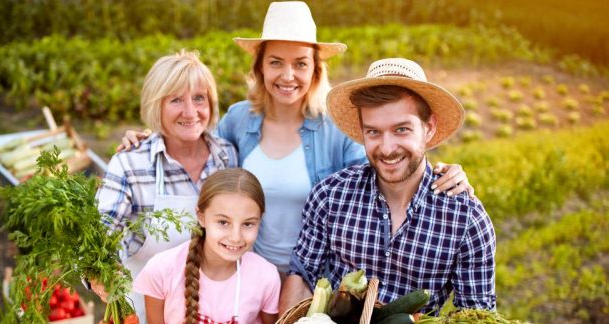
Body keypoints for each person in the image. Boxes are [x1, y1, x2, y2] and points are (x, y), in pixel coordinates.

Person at [120, 1, 474, 277]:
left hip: (314, 278)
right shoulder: (240, 120)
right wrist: (152, 136)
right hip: (245, 272)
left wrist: (442, 172)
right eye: (276, 62)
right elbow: (196, 146)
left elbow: (388, 169)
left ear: (316, 69)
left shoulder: (334, 129)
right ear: (260, 68)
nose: (288, 75)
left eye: (301, 63)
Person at [281, 58, 496, 315]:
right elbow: (303, 275)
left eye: (401, 129)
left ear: (429, 128)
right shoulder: (329, 196)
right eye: (373, 132)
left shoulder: (466, 219)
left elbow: (475, 317)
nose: (387, 148)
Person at [93, 50, 237, 324]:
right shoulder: (132, 163)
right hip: (147, 323)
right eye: (176, 99)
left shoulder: (226, 156)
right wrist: (99, 273)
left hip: (213, 317)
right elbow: (101, 240)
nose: (191, 111)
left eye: (199, 98)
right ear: (156, 106)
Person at [134, 168, 281, 324]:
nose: (236, 236)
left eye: (248, 224)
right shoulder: (163, 269)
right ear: (201, 216)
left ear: (260, 220)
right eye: (223, 222)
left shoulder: (265, 275)